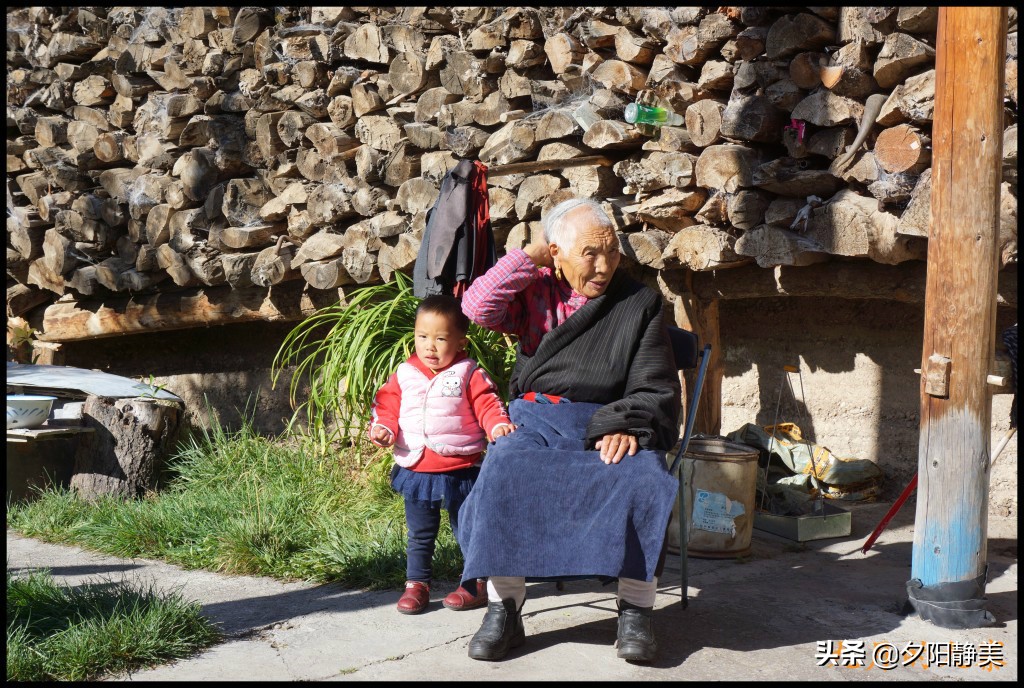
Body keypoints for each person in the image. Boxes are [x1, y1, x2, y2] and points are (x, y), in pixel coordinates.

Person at [457, 197, 682, 663]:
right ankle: (505, 610)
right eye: (589, 254)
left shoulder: (639, 301)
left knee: (644, 475)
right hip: (536, 418)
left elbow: (654, 380)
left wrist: (630, 426)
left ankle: (636, 611)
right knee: (505, 468)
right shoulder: (536, 292)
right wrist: (528, 257)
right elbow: (477, 308)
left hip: (608, 421)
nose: (604, 266)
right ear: (556, 252)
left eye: (612, 252)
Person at [369, 295, 515, 615]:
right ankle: (417, 584)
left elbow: (488, 404)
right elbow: (387, 405)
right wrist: (383, 428)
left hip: (461, 466)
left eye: (440, 338)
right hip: (417, 468)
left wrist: (498, 425)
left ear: (460, 341)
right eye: (422, 337)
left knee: (468, 526)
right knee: (420, 532)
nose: (430, 346)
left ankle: (474, 582)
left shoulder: (468, 372)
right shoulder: (405, 373)